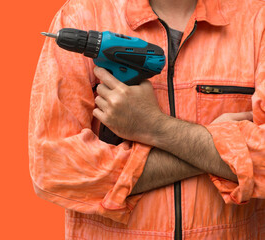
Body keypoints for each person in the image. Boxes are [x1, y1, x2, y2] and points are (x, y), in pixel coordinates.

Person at [28, 0, 265, 238]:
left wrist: (153, 126)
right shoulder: (81, 15)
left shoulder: (257, 17)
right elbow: (53, 168)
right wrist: (217, 148)